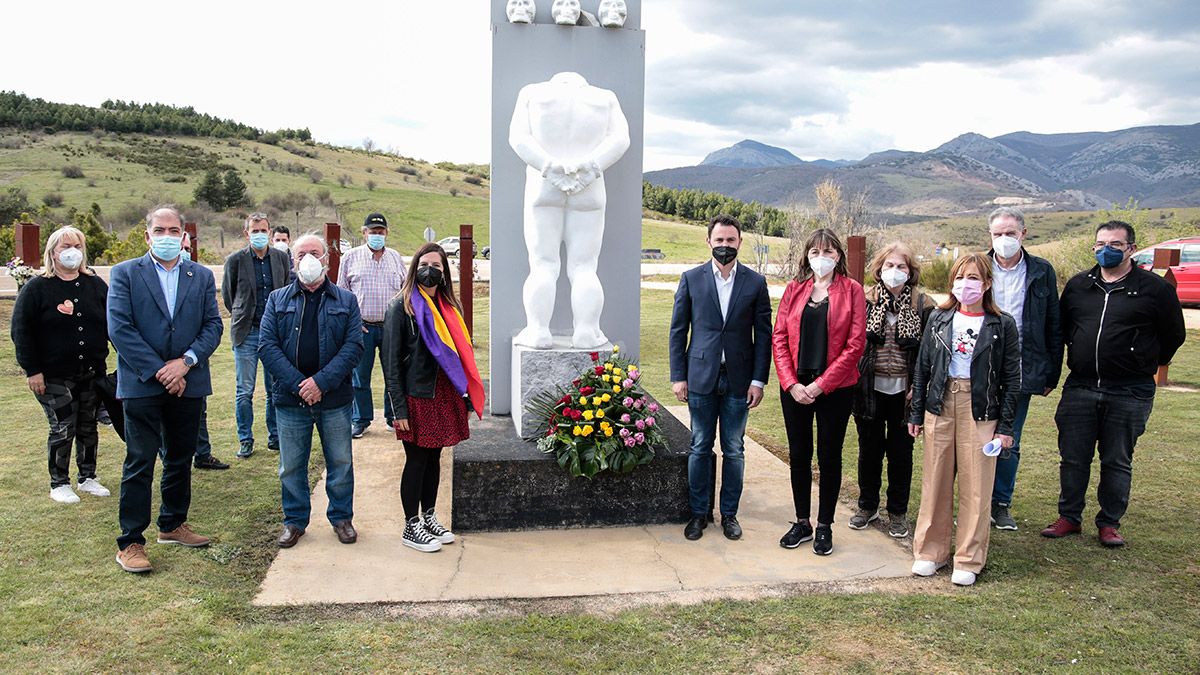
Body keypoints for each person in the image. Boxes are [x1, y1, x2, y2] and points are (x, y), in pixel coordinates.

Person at [1041, 220, 1185, 547]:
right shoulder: (1079, 286)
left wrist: (1142, 360)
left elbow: (1174, 335)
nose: (1106, 250)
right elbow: (1062, 331)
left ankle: (1109, 522)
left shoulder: (1155, 289)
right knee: (1073, 456)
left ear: (1131, 248)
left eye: (1115, 244)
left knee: (1117, 459)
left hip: (1130, 390)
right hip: (1081, 386)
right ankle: (1069, 517)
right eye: (1101, 244)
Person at [108, 206, 223, 573]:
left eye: (175, 230)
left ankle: (172, 524)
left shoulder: (201, 276)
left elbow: (212, 326)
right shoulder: (125, 273)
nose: (168, 236)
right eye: (161, 230)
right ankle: (131, 542)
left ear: (184, 237)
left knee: (179, 456)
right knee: (140, 460)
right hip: (142, 383)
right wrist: (161, 370)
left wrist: (185, 362)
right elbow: (120, 329)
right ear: (147, 235)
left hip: (188, 382)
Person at [908, 253, 1020, 586]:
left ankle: (969, 558)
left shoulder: (1002, 324)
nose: (965, 284)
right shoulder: (939, 318)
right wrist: (916, 412)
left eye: (973, 278)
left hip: (981, 407)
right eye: (959, 277)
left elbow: (1012, 378)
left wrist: (1005, 428)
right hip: (940, 403)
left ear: (986, 284)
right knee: (936, 481)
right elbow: (923, 367)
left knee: (976, 486)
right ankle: (931, 552)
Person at [668, 215, 772, 542]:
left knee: (734, 450)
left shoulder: (755, 283)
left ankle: (729, 515)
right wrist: (678, 376)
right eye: (719, 240)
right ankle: (699, 514)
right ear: (708, 241)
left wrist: (759, 380)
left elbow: (764, 336)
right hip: (700, 377)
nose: (725, 246)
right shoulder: (691, 279)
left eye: (731, 241)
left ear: (740, 242)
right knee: (699, 447)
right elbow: (678, 331)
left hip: (739, 381)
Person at [508, 71, 630, 349]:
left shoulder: (532, 93)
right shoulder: (604, 98)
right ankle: (587, 331)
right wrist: (590, 168)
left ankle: (538, 330)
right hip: (589, 189)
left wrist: (549, 167)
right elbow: (620, 140)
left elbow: (518, 139)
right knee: (585, 266)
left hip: (543, 187)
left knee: (543, 264)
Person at [259, 234, 364, 548]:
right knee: (291, 465)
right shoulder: (277, 300)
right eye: (301, 253)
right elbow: (267, 346)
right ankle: (294, 522)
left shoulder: (346, 300)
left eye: (314, 252)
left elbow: (353, 347)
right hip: (291, 400)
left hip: (335, 399)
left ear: (326, 259)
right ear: (293, 261)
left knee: (341, 462)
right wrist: (299, 385)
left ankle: (342, 518)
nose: (308, 258)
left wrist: (320, 383)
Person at [383, 243, 484, 552]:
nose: (431, 270)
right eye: (425, 264)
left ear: (444, 272)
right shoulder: (400, 307)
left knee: (435, 458)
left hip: (443, 393)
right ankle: (410, 525)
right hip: (416, 395)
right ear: (415, 267)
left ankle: (428, 516)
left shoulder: (449, 308)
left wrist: (465, 398)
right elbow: (390, 363)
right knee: (416, 460)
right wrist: (397, 407)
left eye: (437, 266)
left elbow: (461, 358)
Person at [772, 229, 866, 556]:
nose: (821, 257)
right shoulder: (794, 289)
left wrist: (820, 384)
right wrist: (791, 383)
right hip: (795, 386)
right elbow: (780, 339)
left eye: (827, 251)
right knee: (799, 455)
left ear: (838, 255)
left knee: (829, 456)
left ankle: (825, 525)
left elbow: (855, 346)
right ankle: (802, 521)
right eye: (815, 252)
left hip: (835, 388)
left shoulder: (852, 290)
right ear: (807, 256)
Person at [12, 226, 111, 503]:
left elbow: (113, 323)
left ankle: (88, 476)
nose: (72, 252)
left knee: (88, 424)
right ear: (53, 252)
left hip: (91, 370)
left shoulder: (95, 285)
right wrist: (32, 370)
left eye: (78, 246)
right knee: (62, 425)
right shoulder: (37, 288)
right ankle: (59, 482)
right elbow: (21, 332)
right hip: (53, 374)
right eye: (65, 246)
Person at [850, 242, 935, 538]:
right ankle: (867, 505)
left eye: (902, 266)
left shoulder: (923, 305)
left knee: (901, 454)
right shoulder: (864, 299)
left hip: (905, 392)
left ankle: (897, 512)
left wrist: (919, 388)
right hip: (869, 389)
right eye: (889, 266)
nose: (895, 272)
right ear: (879, 269)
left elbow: (929, 353)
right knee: (869, 451)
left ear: (910, 271)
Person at [984, 207, 1062, 531]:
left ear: (1023, 234)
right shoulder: (978, 266)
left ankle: (1000, 503)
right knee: (975, 437)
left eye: (1010, 233)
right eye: (998, 234)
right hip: (980, 369)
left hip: (1020, 370)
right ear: (990, 236)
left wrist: (1051, 373)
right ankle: (975, 501)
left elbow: (1053, 325)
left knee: (1008, 438)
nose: (1004, 240)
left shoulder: (1041, 271)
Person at [222, 212, 292, 459]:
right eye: (255, 231)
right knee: (245, 390)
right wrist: (243, 316)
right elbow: (230, 297)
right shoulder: (235, 260)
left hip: (274, 333)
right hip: (247, 332)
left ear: (270, 233)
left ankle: (275, 436)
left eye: (264, 230)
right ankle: (245, 439)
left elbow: (285, 290)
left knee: (275, 388)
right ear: (246, 233)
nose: (260, 235)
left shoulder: (281, 259)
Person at [338, 213, 405, 438]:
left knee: (393, 374)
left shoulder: (396, 258)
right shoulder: (350, 257)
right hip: (362, 327)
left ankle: (392, 416)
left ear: (387, 233)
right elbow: (342, 294)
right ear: (363, 232)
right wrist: (352, 323)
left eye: (380, 232)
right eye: (372, 231)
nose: (376, 235)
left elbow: (405, 291)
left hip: (390, 327)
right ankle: (361, 419)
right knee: (359, 377)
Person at [180, 231, 229, 470]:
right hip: (158, 368)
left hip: (194, 358)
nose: (183, 250)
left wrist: (188, 358)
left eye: (186, 247)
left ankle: (203, 453)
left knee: (199, 411)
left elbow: (212, 323)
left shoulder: (200, 277)